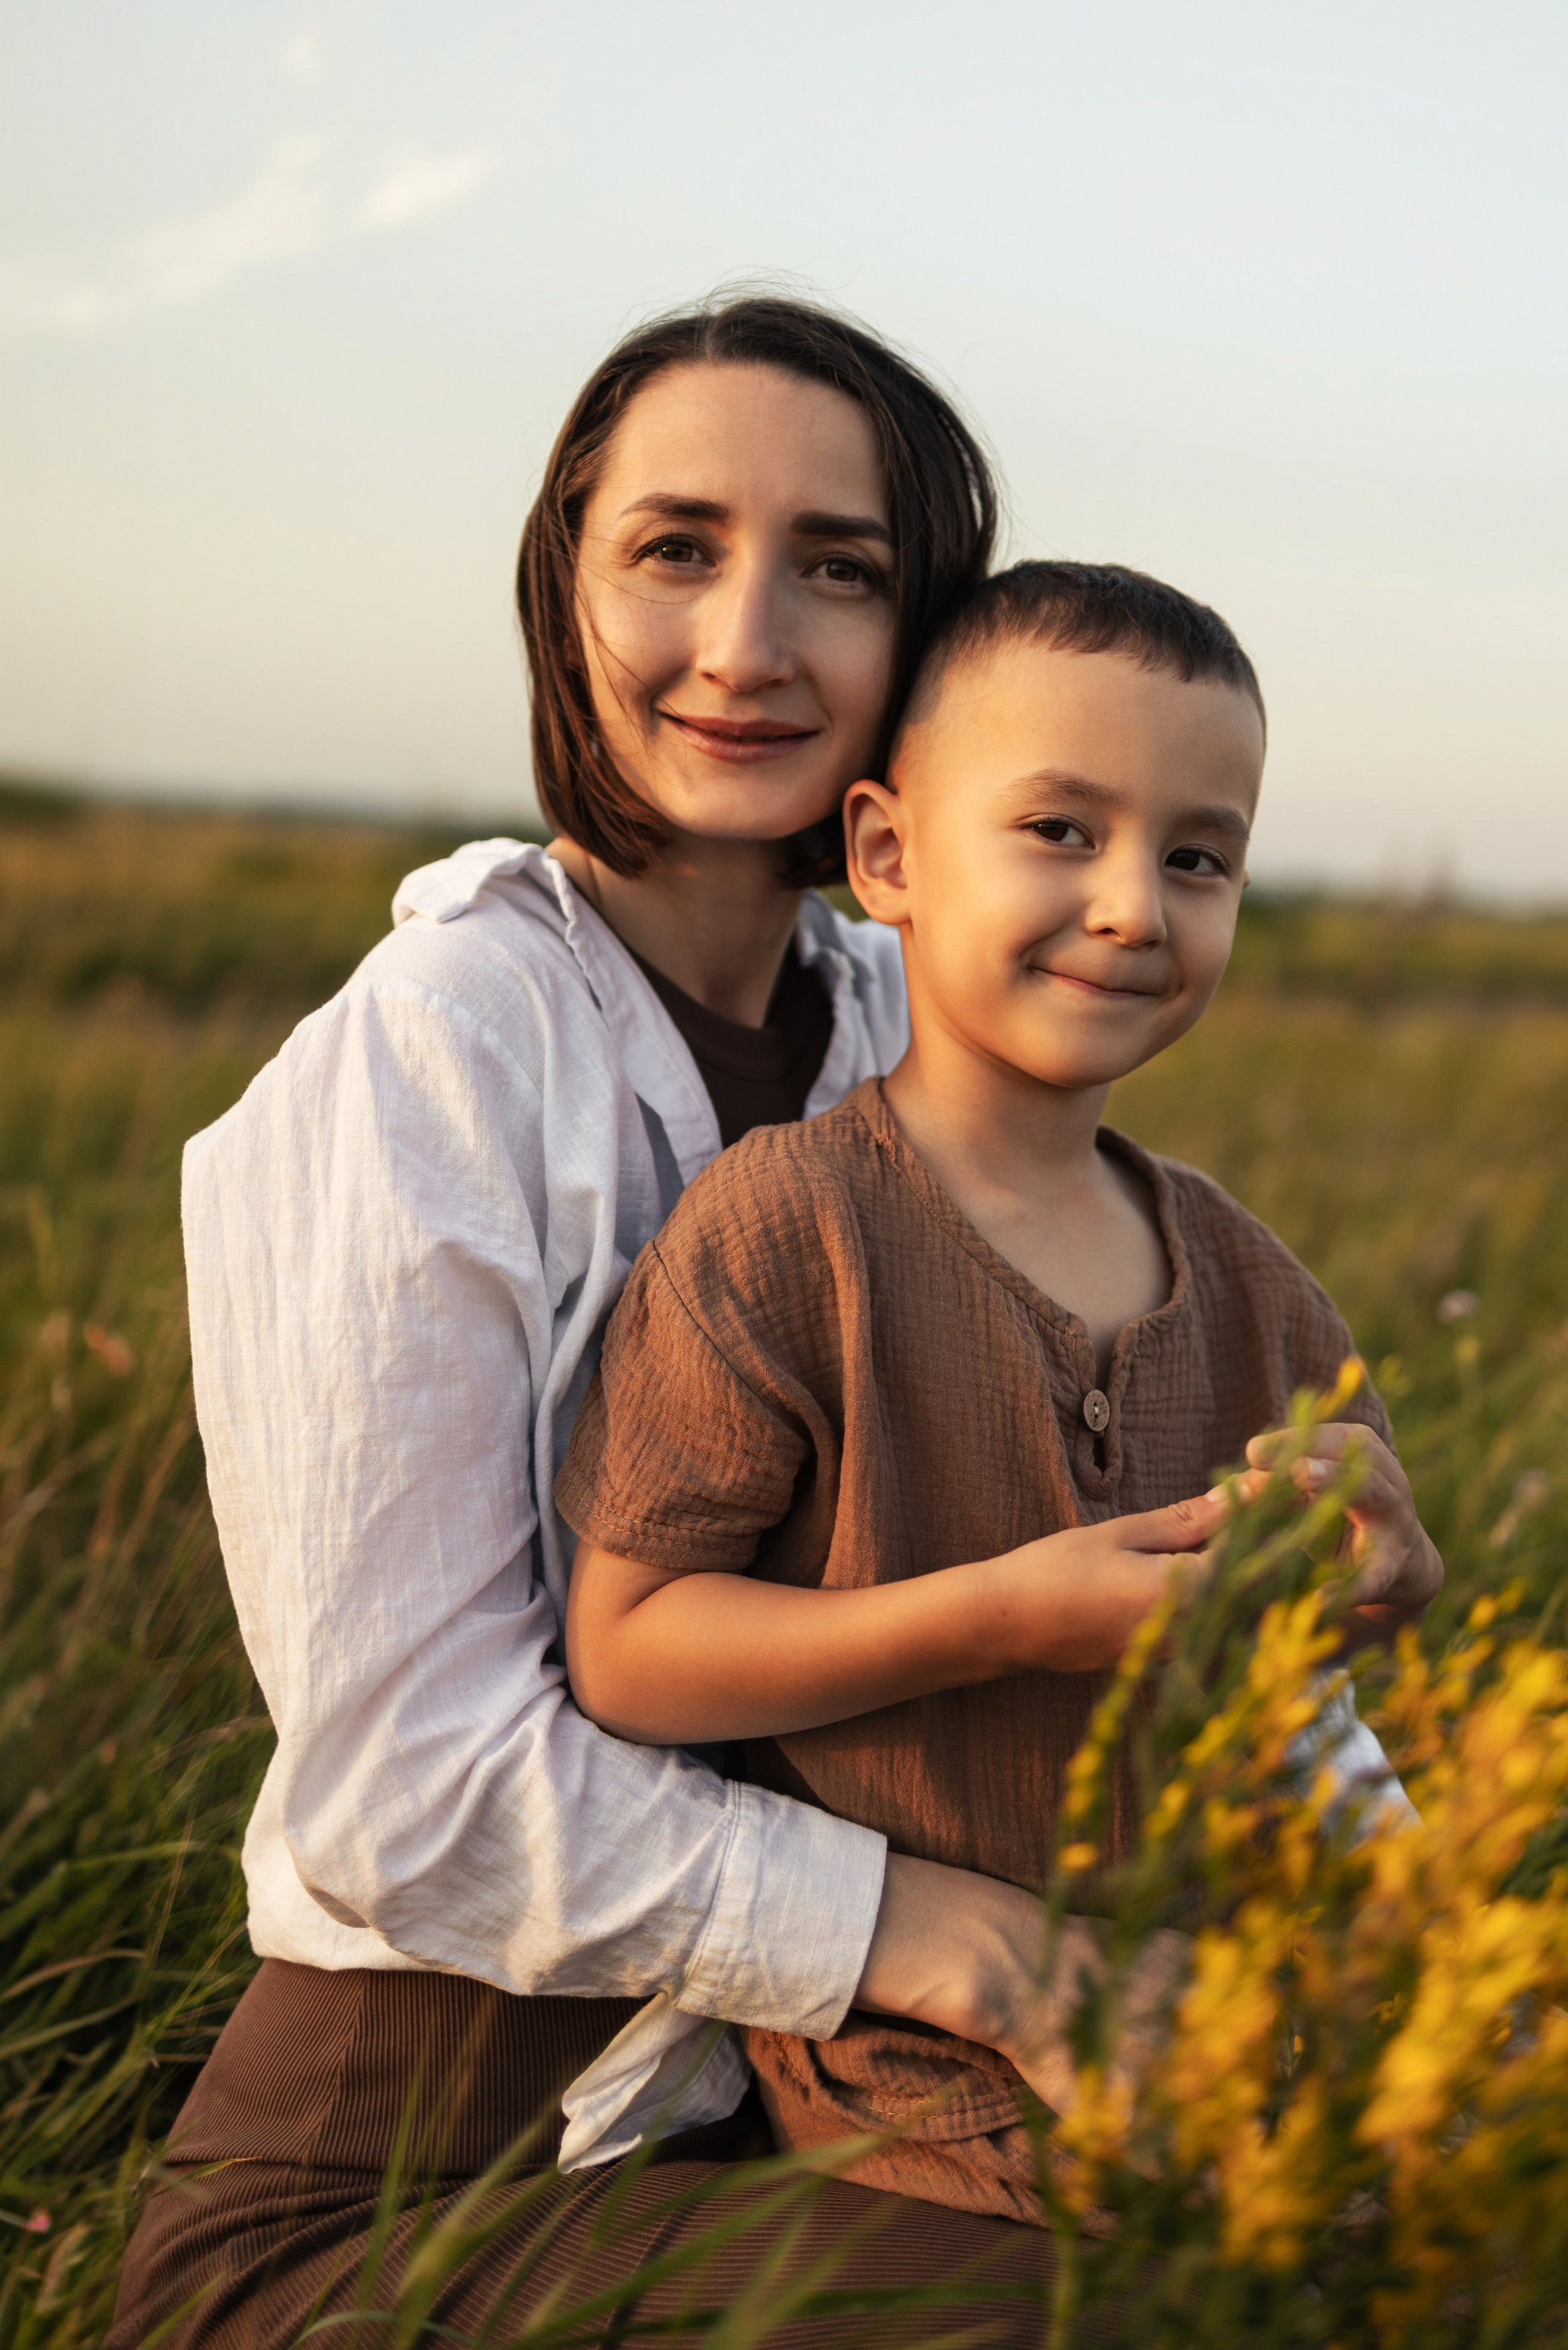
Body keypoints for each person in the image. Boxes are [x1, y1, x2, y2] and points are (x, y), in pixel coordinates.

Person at [110, 302, 1279, 2350]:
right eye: (674, 549)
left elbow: (1120, 1530)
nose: (746, 643)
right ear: (564, 591)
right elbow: (407, 1792)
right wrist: (973, 1946)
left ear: (925, 640)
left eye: (840, 567)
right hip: (395, 2193)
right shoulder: (440, 1050)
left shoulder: (919, 1028)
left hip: (808, 2117)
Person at [555, 561, 1442, 2230]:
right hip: (928, 2060)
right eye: (1059, 829)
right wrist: (1004, 1617)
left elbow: (1336, 1657)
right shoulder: (788, 1230)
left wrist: (1385, 1568)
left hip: (1245, 1997)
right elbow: (630, 1648)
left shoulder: (1250, 1282)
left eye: (1197, 858)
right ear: (887, 854)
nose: (1132, 907)